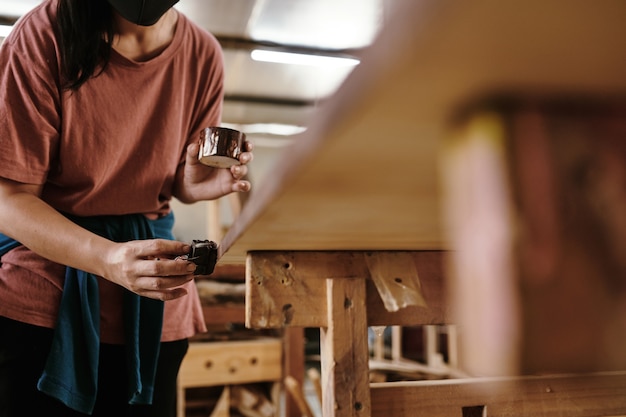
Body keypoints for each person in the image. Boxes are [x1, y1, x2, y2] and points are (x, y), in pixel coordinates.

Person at [0, 0, 253, 416]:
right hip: (42, 310)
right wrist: (108, 259)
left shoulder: (203, 53)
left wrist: (193, 182)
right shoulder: (44, 33)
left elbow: (174, 184)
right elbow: (10, 197)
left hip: (153, 311)